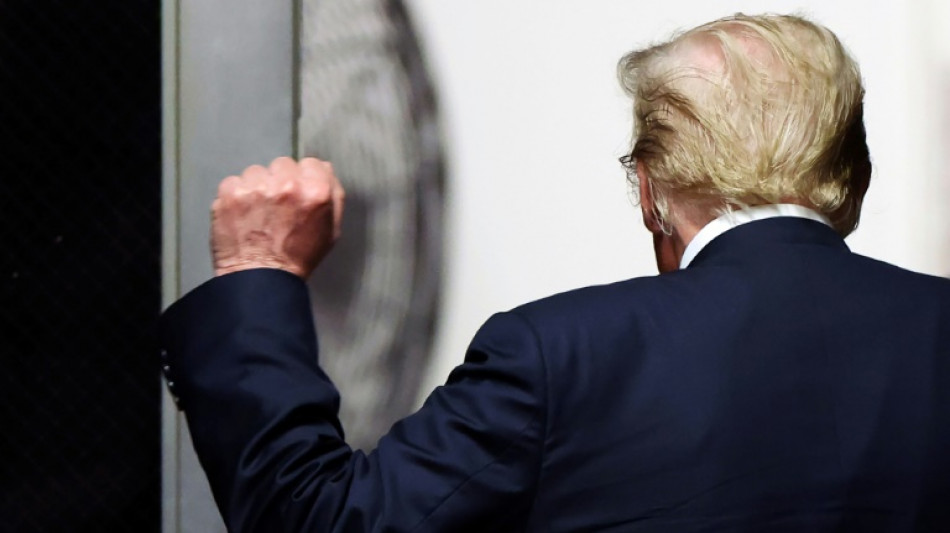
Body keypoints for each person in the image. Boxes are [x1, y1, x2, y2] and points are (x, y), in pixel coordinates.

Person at [159, 13, 950, 532]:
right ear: (851, 180)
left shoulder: (558, 356)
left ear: (650, 190)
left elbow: (323, 520)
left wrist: (258, 269)